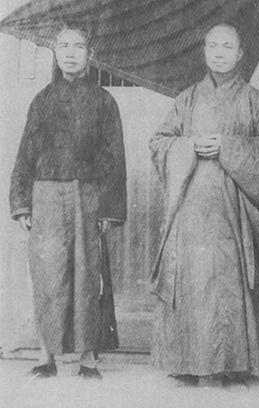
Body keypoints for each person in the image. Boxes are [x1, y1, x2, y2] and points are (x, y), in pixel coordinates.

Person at [149, 23, 259, 387]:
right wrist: (188, 147)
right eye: (212, 45)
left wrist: (229, 148)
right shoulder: (186, 99)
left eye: (227, 46)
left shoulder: (254, 100)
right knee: (193, 284)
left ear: (240, 54)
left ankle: (231, 366)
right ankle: (188, 363)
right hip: (191, 213)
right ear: (204, 52)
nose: (218, 52)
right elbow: (160, 142)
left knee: (228, 287)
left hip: (234, 213)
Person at [9, 24, 126, 380]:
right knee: (48, 274)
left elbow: (114, 159)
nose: (71, 53)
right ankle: (46, 355)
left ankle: (88, 358)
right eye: (64, 46)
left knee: (86, 274)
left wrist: (109, 209)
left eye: (78, 46)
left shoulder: (104, 102)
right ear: (55, 52)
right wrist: (22, 202)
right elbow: (25, 154)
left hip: (87, 196)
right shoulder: (41, 100)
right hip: (45, 196)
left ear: (91, 54)